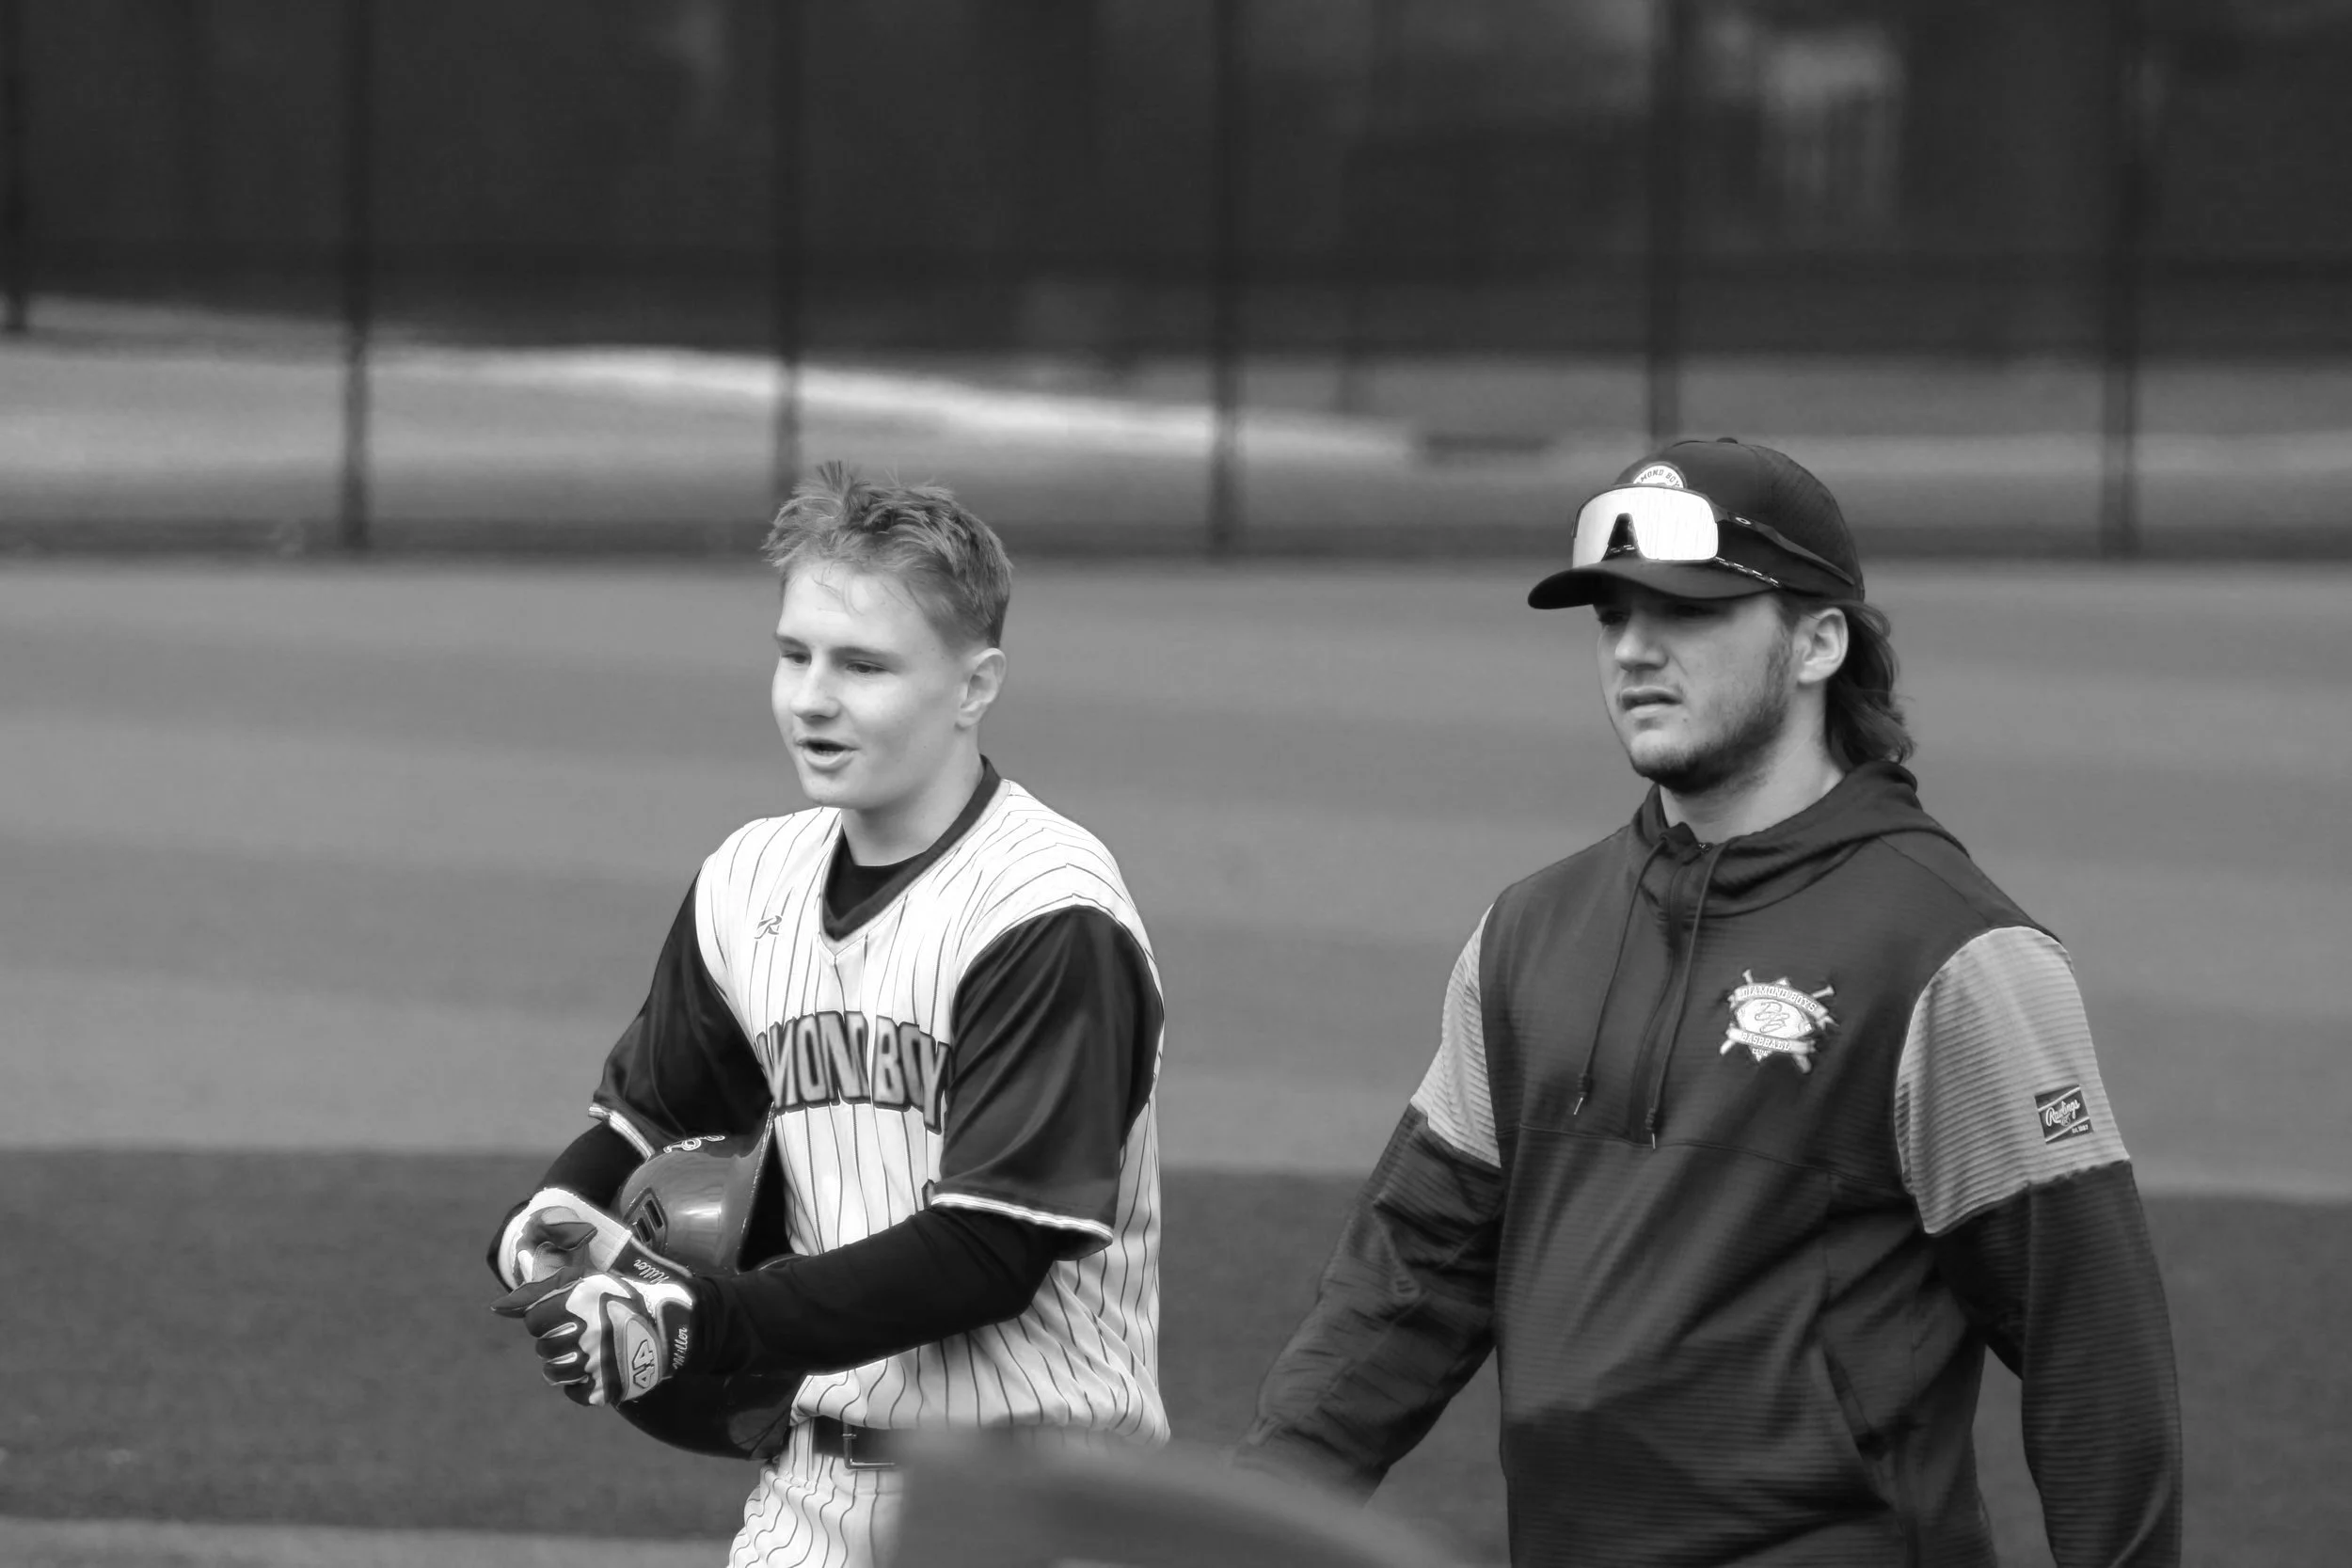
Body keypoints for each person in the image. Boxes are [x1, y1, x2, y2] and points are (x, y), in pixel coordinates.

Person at [1236, 439, 2182, 1566]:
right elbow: (1408, 1278)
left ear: (1818, 643)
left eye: (1688, 613)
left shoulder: (1952, 951)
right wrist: (1234, 1522)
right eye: (1611, 616)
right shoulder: (1531, 930)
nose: (1634, 649)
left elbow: (2096, 1353)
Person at [487, 466, 1168, 1568]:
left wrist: (701, 1317)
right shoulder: (748, 879)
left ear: (974, 684)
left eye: (863, 665)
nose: (810, 697)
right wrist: (550, 1216)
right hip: (810, 1494)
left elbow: (988, 1247)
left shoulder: (1047, 914)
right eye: (793, 652)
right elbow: (645, 1121)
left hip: (1030, 1501)